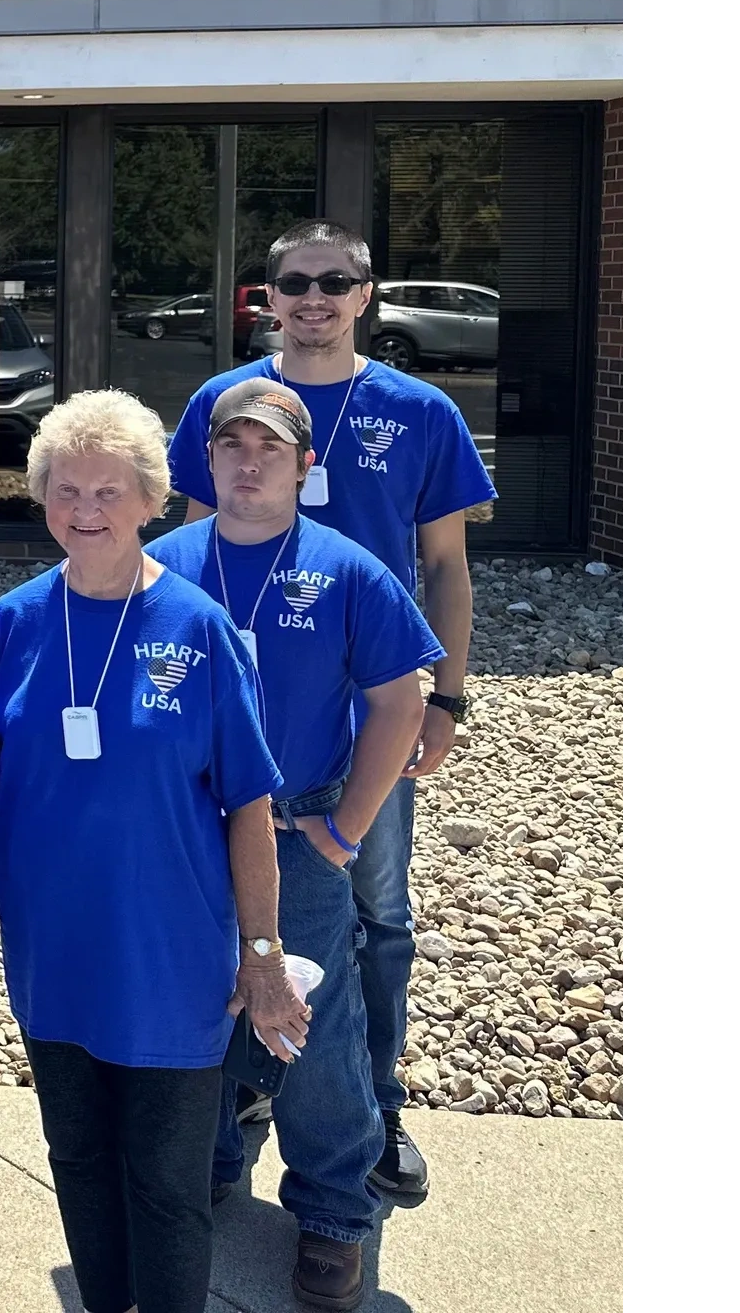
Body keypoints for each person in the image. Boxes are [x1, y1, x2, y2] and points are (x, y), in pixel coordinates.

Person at [0, 391, 306, 1313]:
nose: (85, 510)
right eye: (66, 490)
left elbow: (248, 806)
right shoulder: (16, 625)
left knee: (163, 1183)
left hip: (170, 960)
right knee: (77, 1162)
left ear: (150, 499)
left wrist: (262, 955)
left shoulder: (199, 629)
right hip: (53, 954)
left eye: (109, 490)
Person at [165, 218, 496, 1203]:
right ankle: (245, 1092)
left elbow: (444, 565)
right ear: (266, 298)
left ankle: (371, 1100)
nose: (313, 298)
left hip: (373, 705)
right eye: (293, 282)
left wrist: (446, 696)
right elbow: (190, 558)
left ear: (365, 295)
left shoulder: (420, 409)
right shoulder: (220, 405)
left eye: (334, 281)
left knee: (370, 912)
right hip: (248, 715)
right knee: (230, 908)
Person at [150, 378, 442, 1312]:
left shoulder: (352, 569)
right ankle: (214, 1158)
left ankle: (332, 1212)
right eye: (230, 444)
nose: (246, 461)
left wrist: (346, 829)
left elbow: (403, 700)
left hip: (293, 828)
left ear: (304, 464)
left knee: (311, 1033)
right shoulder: (161, 563)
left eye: (268, 447)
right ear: (206, 458)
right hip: (187, 833)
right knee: (197, 1008)